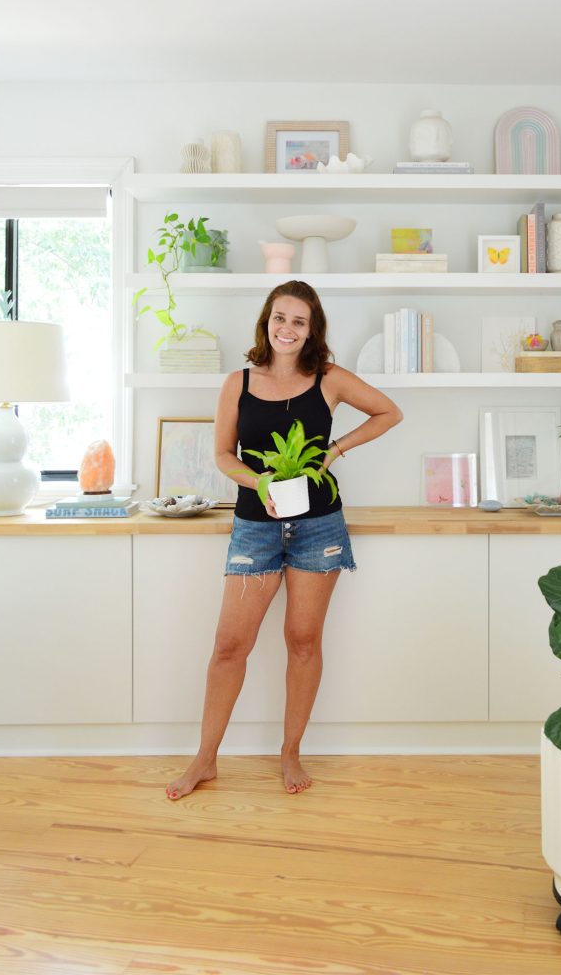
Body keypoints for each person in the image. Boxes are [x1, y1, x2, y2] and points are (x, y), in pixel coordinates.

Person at [166, 280, 403, 799]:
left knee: (303, 642)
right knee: (230, 646)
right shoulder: (238, 383)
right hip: (256, 525)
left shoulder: (330, 379)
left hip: (320, 527)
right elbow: (225, 456)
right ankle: (204, 760)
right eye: (280, 318)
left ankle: (290, 753)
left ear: (312, 328)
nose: (288, 329)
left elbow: (389, 412)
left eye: (299, 320)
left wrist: (334, 450)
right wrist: (263, 482)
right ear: (266, 321)